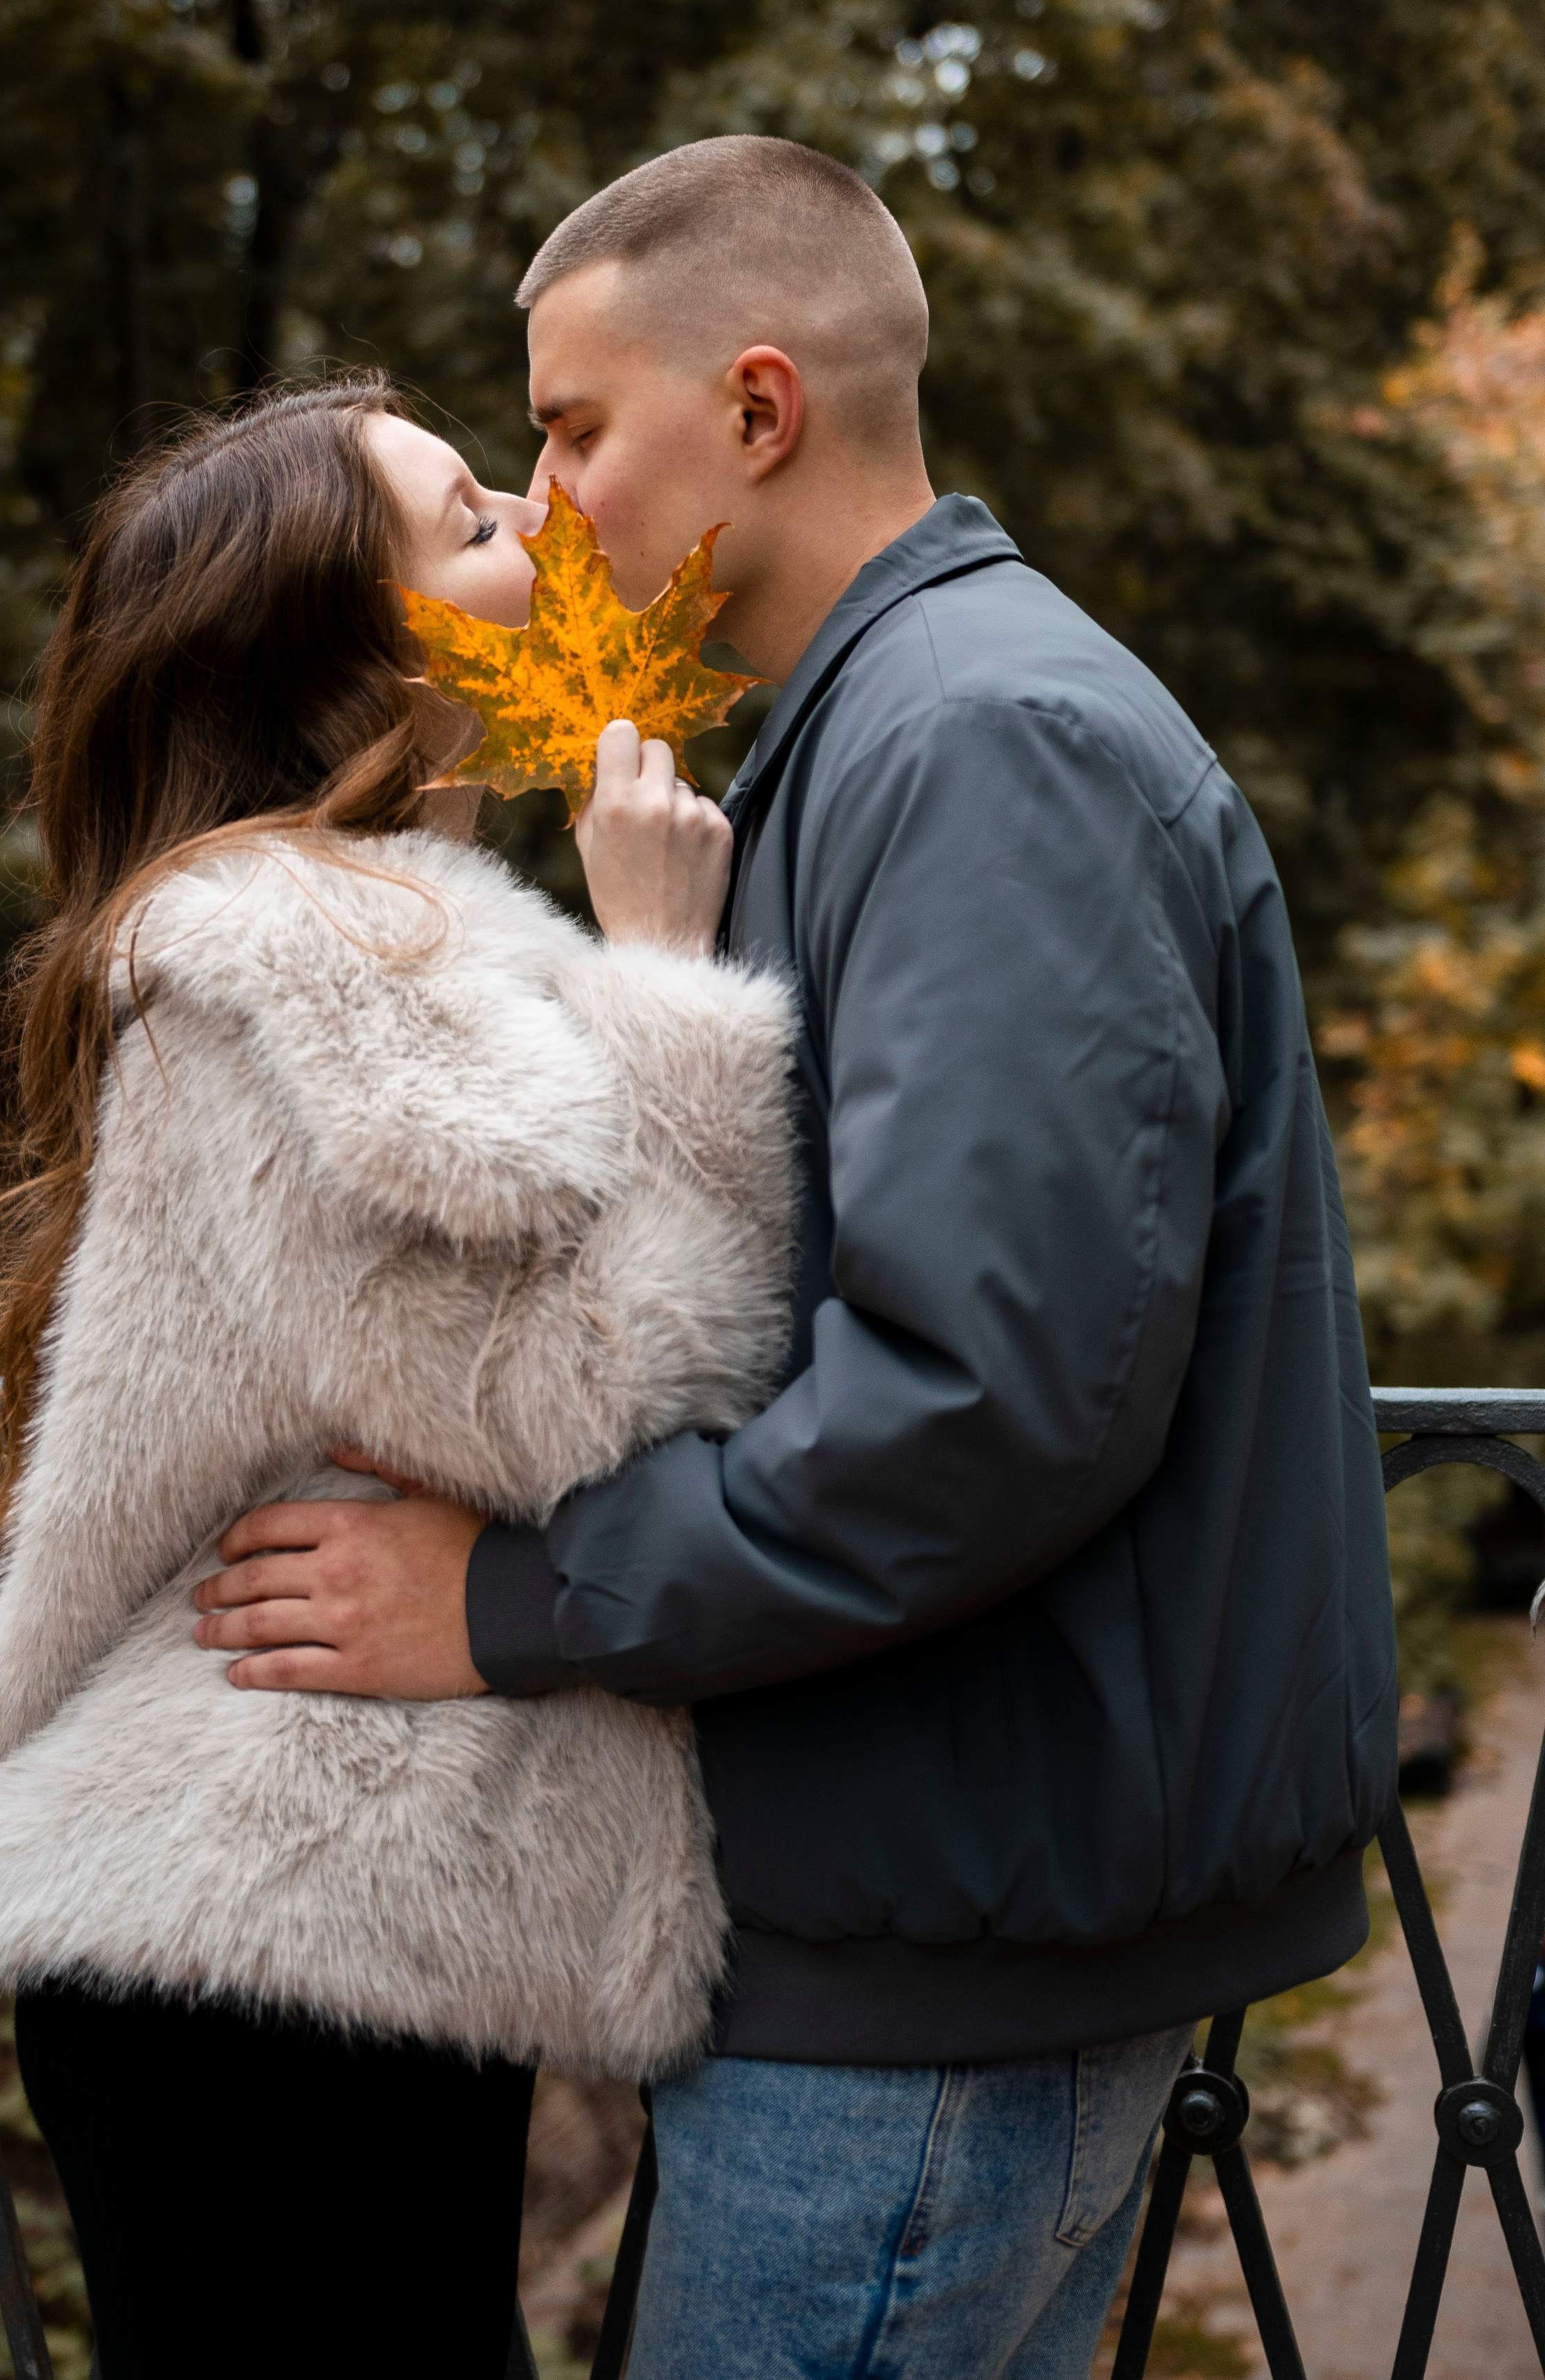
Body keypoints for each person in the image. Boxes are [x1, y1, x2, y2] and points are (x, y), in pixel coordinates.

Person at [213, 139, 1401, 2376]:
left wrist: (506, 1599)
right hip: (938, 1908)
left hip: (936, 1967)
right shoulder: (897, 724)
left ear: (758, 410)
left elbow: (983, 1398)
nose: (547, 510)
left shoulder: (982, 744)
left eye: (573, 430)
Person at [0, 376, 797, 2377]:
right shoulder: (313, 955)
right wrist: (666, 980)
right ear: (349, 648)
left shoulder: (345, 932)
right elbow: (584, 1397)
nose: (541, 536)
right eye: (470, 521)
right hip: (269, 1921)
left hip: (307, 1903)